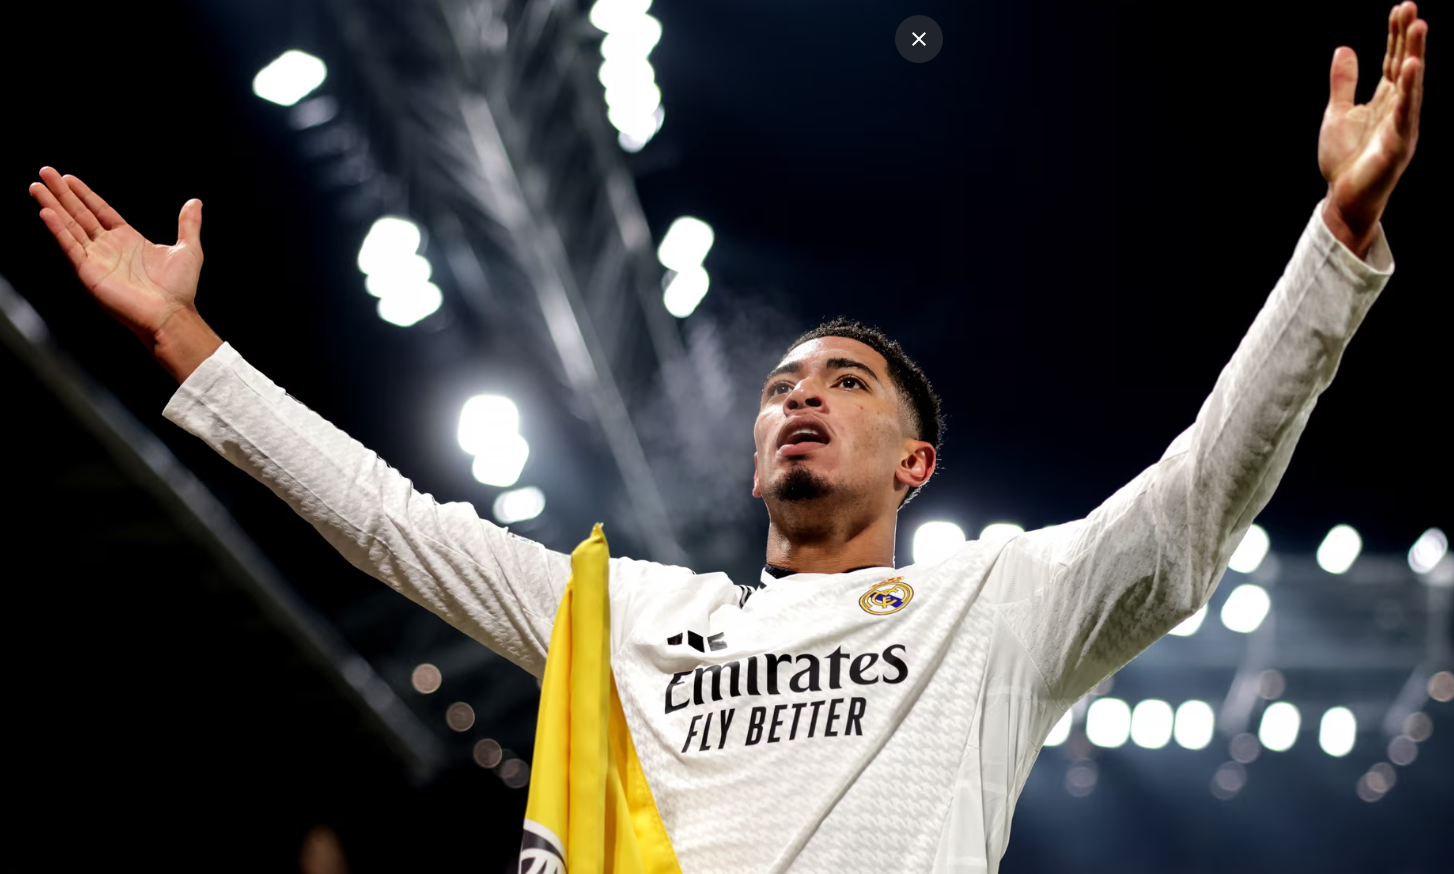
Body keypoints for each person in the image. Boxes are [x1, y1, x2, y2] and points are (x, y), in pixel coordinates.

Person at [27, 4, 1427, 871]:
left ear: (912, 462)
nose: (797, 396)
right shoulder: (629, 612)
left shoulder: (998, 603)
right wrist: (187, 347)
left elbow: (1198, 494)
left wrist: (1337, 239)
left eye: (842, 383)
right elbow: (394, 520)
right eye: (778, 386)